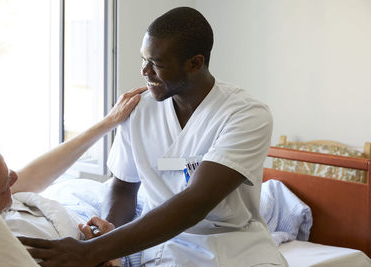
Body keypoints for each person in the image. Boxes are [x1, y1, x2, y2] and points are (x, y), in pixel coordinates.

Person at [20, 7, 288, 266]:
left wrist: (91, 251)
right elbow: (124, 187)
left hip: (236, 244)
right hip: (165, 242)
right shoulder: (139, 110)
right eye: (143, 60)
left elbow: (197, 201)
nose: (144, 71)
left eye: (156, 63)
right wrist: (108, 233)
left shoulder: (246, 115)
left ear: (195, 63)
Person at [0, 86, 146, 267]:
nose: (15, 179)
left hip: (86, 208)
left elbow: (30, 176)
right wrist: (110, 256)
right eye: (5, 186)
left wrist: (109, 121)